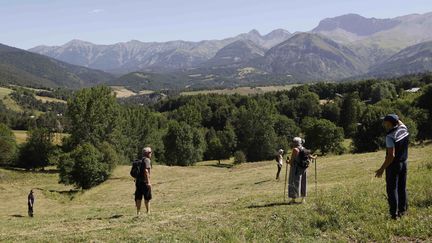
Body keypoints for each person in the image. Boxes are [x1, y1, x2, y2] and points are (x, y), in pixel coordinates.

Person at [375, 114, 409, 220]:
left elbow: (391, 156)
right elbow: (399, 122)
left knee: (392, 189)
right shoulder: (403, 129)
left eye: (385, 122)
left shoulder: (390, 136)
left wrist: (381, 169)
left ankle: (394, 215)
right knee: (402, 188)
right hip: (404, 163)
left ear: (389, 123)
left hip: (393, 166)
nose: (384, 123)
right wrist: (396, 119)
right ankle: (403, 211)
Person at [287, 137, 316, 204]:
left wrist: (288, 161)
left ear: (294, 143)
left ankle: (293, 199)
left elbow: (291, 162)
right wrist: (314, 158)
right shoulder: (304, 149)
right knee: (303, 182)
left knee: (294, 183)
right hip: (304, 169)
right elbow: (310, 157)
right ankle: (303, 199)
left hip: (296, 169)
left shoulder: (295, 150)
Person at [135, 147, 152, 215]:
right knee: (147, 197)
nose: (151, 154)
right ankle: (148, 211)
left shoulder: (140, 160)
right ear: (147, 153)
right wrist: (148, 182)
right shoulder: (147, 160)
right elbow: (146, 171)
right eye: (150, 152)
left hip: (138, 182)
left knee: (138, 197)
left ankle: (138, 212)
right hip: (144, 182)